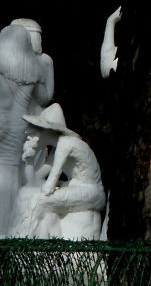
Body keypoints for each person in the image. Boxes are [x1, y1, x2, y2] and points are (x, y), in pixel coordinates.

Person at [10, 103, 105, 240]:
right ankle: (25, 244)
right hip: (75, 187)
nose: (29, 133)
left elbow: (47, 188)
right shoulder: (58, 150)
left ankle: (23, 247)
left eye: (35, 129)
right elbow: (34, 182)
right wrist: (29, 162)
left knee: (39, 201)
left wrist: (44, 190)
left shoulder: (66, 144)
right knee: (26, 193)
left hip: (91, 192)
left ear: (47, 130)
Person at [0, 24, 43, 236]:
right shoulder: (32, 68)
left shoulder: (2, 66)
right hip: (19, 125)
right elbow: (44, 97)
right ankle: (9, 224)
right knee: (11, 171)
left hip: (3, 121)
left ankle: (3, 227)